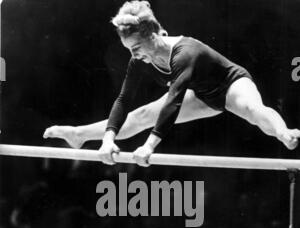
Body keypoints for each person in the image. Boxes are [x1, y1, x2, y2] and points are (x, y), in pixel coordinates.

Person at [44, 1, 300, 166]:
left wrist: (148, 146)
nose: (134, 55)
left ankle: (284, 133)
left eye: (136, 48)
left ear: (152, 35)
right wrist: (108, 139)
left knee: (253, 111)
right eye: (128, 50)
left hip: (231, 85)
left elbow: (174, 100)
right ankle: (79, 135)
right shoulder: (140, 60)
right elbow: (123, 99)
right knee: (141, 115)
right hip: (200, 94)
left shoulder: (184, 53)